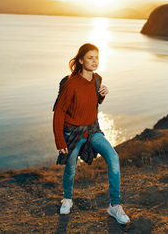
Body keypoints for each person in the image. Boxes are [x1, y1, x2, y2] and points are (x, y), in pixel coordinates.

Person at [52, 43, 130, 225]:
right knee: (70, 168)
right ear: (80, 60)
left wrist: (103, 94)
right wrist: (59, 139)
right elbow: (59, 113)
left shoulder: (97, 79)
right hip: (73, 133)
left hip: (93, 130)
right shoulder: (70, 84)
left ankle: (114, 206)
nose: (95, 61)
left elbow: (92, 101)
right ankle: (68, 198)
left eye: (97, 57)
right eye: (90, 57)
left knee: (114, 158)